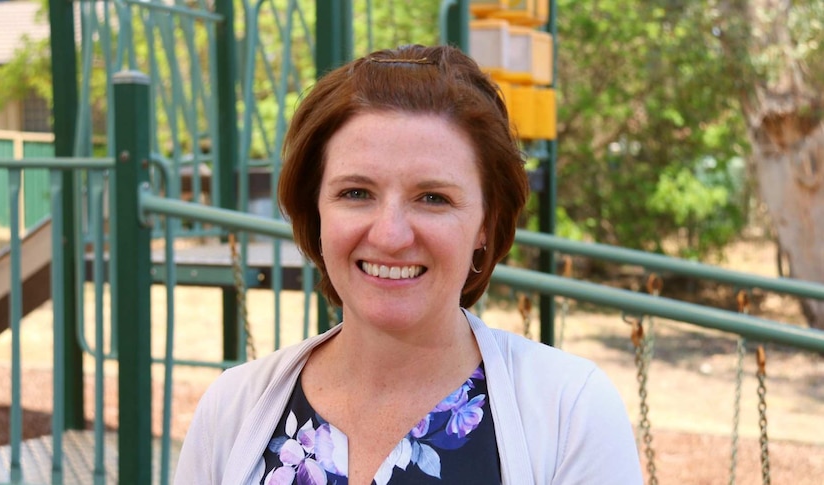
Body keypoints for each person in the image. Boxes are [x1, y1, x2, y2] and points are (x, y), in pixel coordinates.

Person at [174, 44, 642, 485]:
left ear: (486, 223)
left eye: (433, 198)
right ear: (315, 211)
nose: (390, 235)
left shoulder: (571, 412)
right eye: (356, 193)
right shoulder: (232, 408)